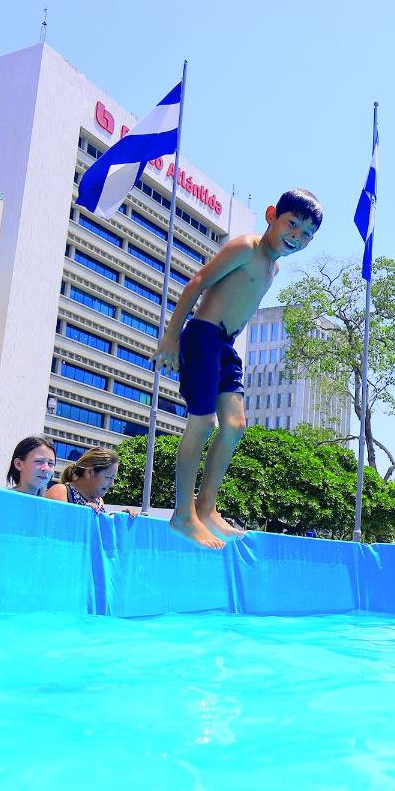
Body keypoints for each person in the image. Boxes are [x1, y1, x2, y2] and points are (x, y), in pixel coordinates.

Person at [156, 189, 322, 549]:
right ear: (271, 216)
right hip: (202, 337)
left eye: (307, 233)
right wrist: (172, 336)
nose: (297, 236)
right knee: (202, 424)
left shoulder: (272, 267)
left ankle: (206, 505)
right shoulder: (247, 248)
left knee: (235, 426)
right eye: (292, 224)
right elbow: (197, 282)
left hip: (225, 347)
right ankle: (182, 514)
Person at [46, 447, 118, 513]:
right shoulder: (60, 492)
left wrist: (125, 519)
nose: (112, 484)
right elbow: (53, 525)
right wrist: (82, 514)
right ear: (89, 472)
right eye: (109, 477)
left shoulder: (99, 501)